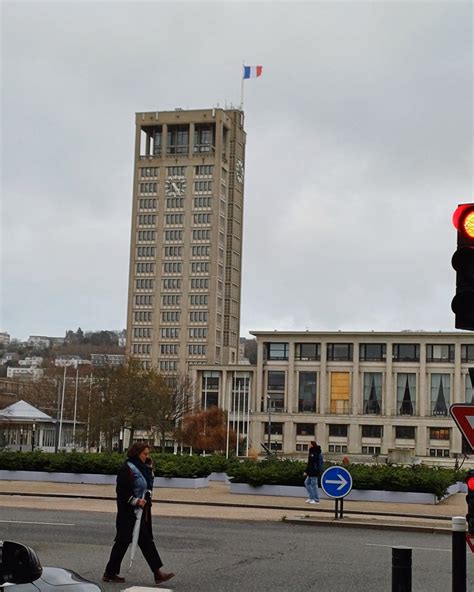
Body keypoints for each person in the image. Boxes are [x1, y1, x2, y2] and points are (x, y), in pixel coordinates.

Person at [103, 443, 174, 585]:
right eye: (145, 454)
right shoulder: (127, 469)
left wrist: (149, 470)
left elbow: (147, 487)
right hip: (128, 513)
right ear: (137, 454)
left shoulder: (143, 469)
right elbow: (121, 492)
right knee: (122, 542)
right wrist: (135, 501)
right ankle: (110, 572)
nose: (147, 457)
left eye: (148, 454)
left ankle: (157, 573)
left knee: (146, 542)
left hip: (140, 514)